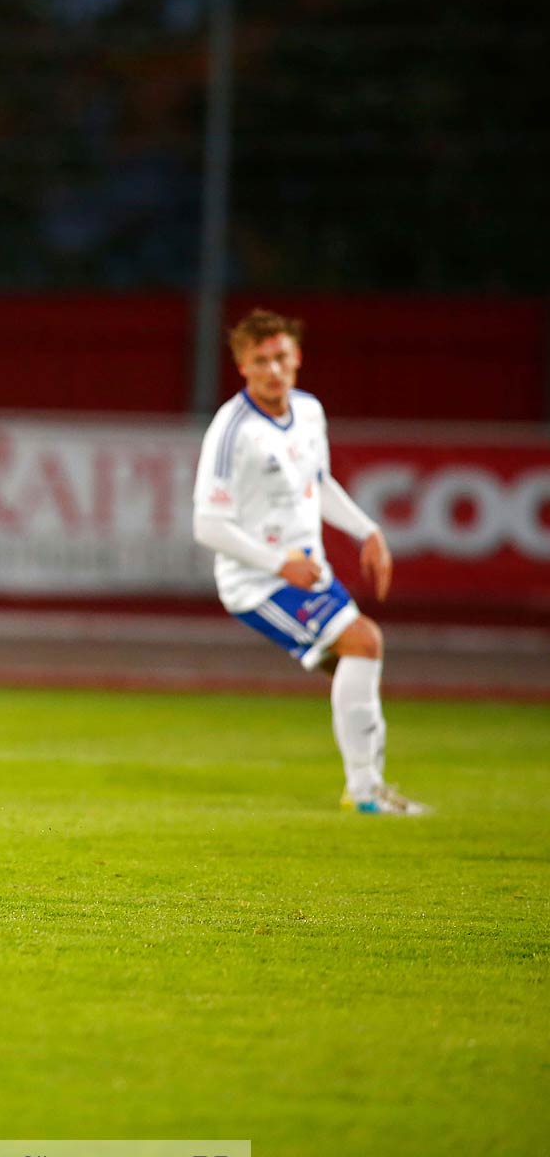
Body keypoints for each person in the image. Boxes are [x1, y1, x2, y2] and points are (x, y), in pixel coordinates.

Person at [192, 308, 427, 815]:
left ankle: (368, 786)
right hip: (257, 581)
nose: (274, 369)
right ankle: (365, 793)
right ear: (243, 368)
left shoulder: (310, 412)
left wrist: (367, 530)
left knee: (357, 659)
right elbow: (207, 525)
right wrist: (279, 564)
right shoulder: (232, 431)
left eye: (281, 357)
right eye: (261, 361)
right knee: (364, 640)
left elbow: (315, 483)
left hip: (306, 572)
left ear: (297, 357)